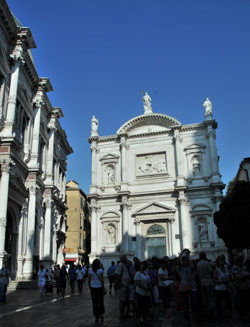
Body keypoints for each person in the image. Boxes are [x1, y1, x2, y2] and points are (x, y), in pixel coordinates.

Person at [179, 252, 200, 326]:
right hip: (185, 286)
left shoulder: (190, 267)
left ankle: (196, 316)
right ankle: (187, 319)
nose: (185, 262)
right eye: (183, 260)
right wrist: (182, 253)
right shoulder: (181, 268)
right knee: (186, 304)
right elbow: (179, 260)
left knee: (195, 303)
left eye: (186, 260)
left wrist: (188, 257)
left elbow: (191, 264)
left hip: (192, 286)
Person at [214, 255, 233, 325]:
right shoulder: (217, 270)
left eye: (222, 260)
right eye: (219, 260)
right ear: (218, 262)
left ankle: (229, 320)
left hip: (226, 289)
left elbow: (229, 276)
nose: (221, 261)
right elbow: (215, 281)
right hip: (219, 290)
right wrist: (223, 281)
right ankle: (217, 321)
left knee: (229, 305)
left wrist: (229, 278)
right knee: (219, 306)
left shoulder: (226, 268)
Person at [197, 252, 215, 322]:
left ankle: (205, 316)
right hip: (209, 282)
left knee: (204, 300)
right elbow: (210, 271)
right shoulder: (207, 263)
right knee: (211, 299)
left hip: (202, 282)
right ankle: (211, 316)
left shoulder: (198, 264)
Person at [232, 255, 250, 320]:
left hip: (246, 285)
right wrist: (247, 275)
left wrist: (246, 275)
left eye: (242, 260)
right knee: (242, 301)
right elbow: (238, 276)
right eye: (240, 261)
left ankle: (247, 314)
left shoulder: (243, 267)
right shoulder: (235, 267)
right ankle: (242, 315)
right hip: (240, 286)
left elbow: (245, 274)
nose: (241, 262)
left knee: (247, 301)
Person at [134, 261, 152, 326]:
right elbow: (137, 283)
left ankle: (144, 319)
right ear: (138, 266)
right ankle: (138, 321)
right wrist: (145, 288)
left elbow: (148, 280)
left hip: (147, 292)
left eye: (143, 264)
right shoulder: (138, 273)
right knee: (140, 307)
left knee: (146, 307)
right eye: (141, 264)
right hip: (140, 292)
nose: (143, 265)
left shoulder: (145, 272)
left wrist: (149, 285)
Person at [115, 255, 131, 320]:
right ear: (122, 259)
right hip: (123, 286)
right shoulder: (121, 265)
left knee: (125, 301)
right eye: (125, 258)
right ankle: (121, 315)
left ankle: (124, 313)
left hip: (126, 286)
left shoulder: (124, 265)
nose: (126, 258)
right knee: (122, 301)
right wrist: (120, 283)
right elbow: (116, 274)